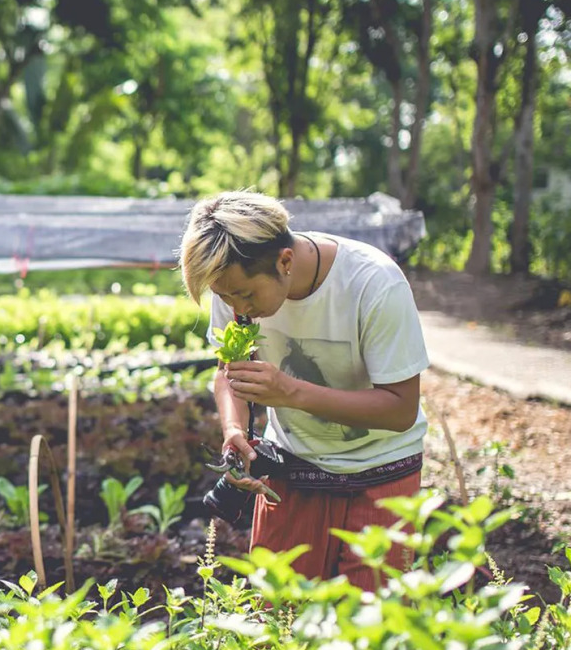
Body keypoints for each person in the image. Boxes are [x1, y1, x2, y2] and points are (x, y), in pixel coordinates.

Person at [178, 190, 429, 590]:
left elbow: (400, 409)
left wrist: (291, 392)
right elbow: (228, 373)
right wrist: (234, 431)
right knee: (275, 618)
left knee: (372, 629)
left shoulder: (372, 283)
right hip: (294, 469)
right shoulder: (234, 284)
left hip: (382, 472)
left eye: (244, 294)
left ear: (285, 262)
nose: (235, 307)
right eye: (224, 297)